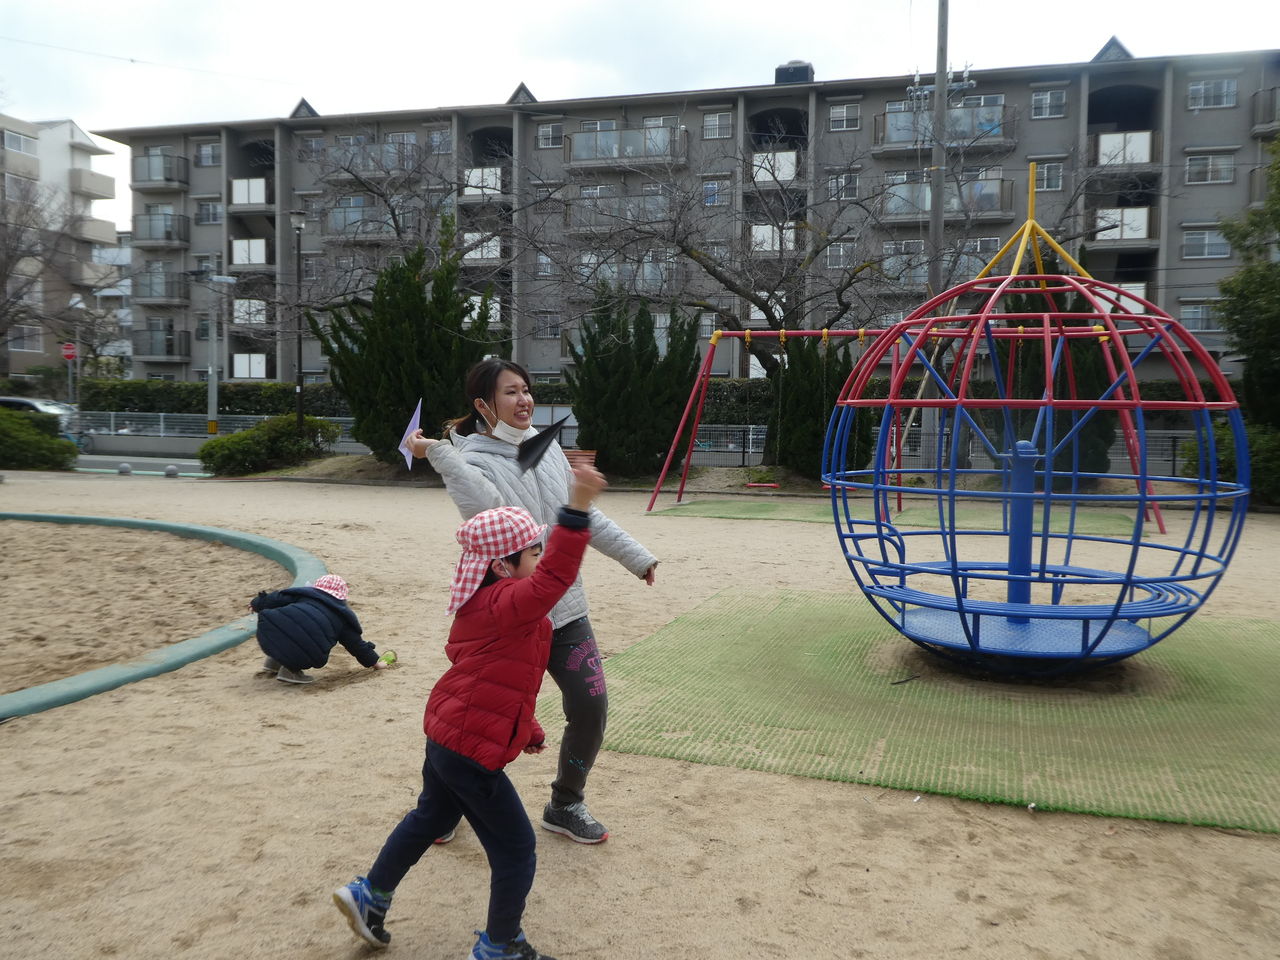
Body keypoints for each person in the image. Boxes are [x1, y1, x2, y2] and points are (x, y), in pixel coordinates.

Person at [333, 462, 607, 960]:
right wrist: (578, 507)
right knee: (516, 849)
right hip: (468, 747)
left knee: (430, 814)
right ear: (501, 566)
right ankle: (500, 946)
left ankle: (369, 895)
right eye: (533, 551)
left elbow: (497, 679)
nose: (541, 558)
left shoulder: (486, 606)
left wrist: (528, 726)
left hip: (448, 732)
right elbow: (555, 580)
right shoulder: (509, 601)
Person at [407, 358, 657, 844]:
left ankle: (566, 803)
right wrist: (440, 453)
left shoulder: (548, 450)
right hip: (504, 615)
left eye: (526, 390)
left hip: (564, 609)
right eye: (510, 393)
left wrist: (638, 557)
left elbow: (585, 516)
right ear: (483, 405)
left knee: (591, 705)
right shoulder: (472, 461)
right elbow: (481, 505)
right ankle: (440, 806)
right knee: (471, 712)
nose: (524, 401)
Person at [250, 574, 391, 685]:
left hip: (267, 634)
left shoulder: (302, 595)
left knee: (286, 627)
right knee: (306, 642)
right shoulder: (343, 617)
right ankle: (290, 671)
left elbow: (273, 599)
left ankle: (272, 662)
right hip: (306, 654)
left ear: (316, 588)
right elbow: (356, 646)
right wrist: (375, 662)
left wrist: (255, 604)